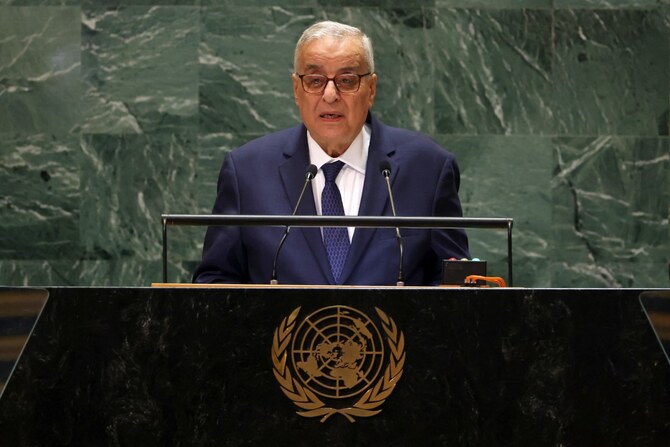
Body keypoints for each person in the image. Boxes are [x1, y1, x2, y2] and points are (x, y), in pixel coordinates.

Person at [193, 20, 469, 285]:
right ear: (296, 90)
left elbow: (455, 285)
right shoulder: (247, 171)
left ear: (371, 89)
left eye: (347, 80)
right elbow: (216, 283)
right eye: (314, 80)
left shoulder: (428, 168)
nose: (330, 95)